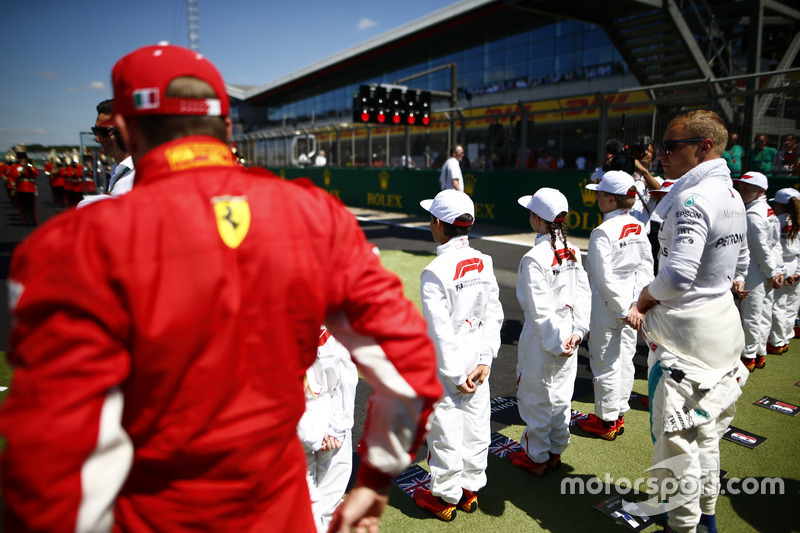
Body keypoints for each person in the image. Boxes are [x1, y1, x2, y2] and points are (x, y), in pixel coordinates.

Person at [0, 43, 442, 533]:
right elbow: (408, 363)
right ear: (227, 128)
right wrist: (375, 481)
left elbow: (51, 451)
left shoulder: (70, 243)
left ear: (124, 132)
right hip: (279, 510)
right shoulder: (316, 214)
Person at [636, 110, 750, 533]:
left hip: (686, 342)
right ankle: (705, 518)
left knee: (676, 446)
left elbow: (679, 274)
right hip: (721, 330)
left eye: (671, 145)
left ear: (704, 147)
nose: (662, 154)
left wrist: (645, 298)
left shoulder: (693, 197)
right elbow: (739, 262)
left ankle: (681, 527)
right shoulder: (733, 195)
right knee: (706, 439)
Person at [413, 189, 503, 522]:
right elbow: (493, 315)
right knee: (477, 426)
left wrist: (454, 375)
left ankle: (445, 497)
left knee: (446, 430)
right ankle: (470, 490)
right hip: (478, 362)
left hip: (449, 366)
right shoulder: (485, 261)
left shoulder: (434, 271)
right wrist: (485, 360)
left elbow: (439, 332)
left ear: (438, 223)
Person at [510, 188, 590, 476]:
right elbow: (583, 294)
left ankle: (536, 457)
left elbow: (538, 309)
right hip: (569, 332)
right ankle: (555, 450)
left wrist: (557, 343)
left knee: (535, 397)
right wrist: (579, 332)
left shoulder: (534, 258)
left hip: (543, 338)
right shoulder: (573, 248)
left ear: (536, 218)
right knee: (560, 396)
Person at [579, 171, 653, 440]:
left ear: (610, 200)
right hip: (632, 305)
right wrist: (637, 304)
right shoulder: (637, 226)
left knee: (605, 361)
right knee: (624, 358)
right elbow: (646, 267)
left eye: (599, 194)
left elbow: (602, 277)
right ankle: (618, 411)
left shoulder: (602, 231)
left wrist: (625, 308)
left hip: (609, 306)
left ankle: (607, 420)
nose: (596, 197)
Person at [297, 327, 359, 533]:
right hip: (323, 417)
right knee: (318, 495)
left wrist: (337, 427)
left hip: (311, 420)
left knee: (309, 496)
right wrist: (337, 426)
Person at [734, 171, 784, 372]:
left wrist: (772, 272)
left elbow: (761, 248)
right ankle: (758, 353)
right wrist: (777, 271)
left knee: (751, 315)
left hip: (756, 271)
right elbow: (775, 246)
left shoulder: (753, 214)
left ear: (761, 191)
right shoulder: (768, 210)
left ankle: (748, 357)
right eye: (741, 187)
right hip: (766, 269)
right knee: (763, 313)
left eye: (748, 188)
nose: (742, 191)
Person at [77, 99, 135, 208]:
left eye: (104, 132)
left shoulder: (140, 174)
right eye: (95, 131)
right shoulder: (118, 170)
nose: (98, 139)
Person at [767, 188, 800, 355]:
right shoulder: (798, 221)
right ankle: (785, 338)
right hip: (796, 266)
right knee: (791, 306)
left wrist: (783, 272)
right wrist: (797, 272)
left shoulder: (775, 221)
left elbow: (772, 247)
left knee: (777, 306)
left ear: (780, 206)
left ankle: (777, 342)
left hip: (781, 266)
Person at [9, 147, 39, 226]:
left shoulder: (29, 166)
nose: (22, 160)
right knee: (23, 206)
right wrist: (22, 171)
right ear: (18, 159)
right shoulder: (15, 167)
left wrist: (29, 168)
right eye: (21, 159)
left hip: (30, 189)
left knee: (31, 206)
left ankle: (33, 220)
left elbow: (36, 174)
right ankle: (26, 220)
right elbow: (14, 175)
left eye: (23, 159)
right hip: (21, 189)